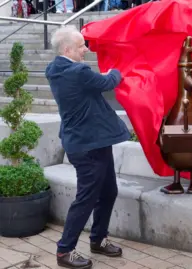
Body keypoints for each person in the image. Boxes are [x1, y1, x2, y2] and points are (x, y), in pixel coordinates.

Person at [46, 25, 130, 269]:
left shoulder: (56, 69)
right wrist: (117, 68)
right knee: (86, 198)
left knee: (108, 192)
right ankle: (65, 251)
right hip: (87, 145)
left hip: (93, 141)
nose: (86, 49)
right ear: (67, 49)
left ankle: (98, 240)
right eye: (82, 45)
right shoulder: (77, 72)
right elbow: (108, 81)